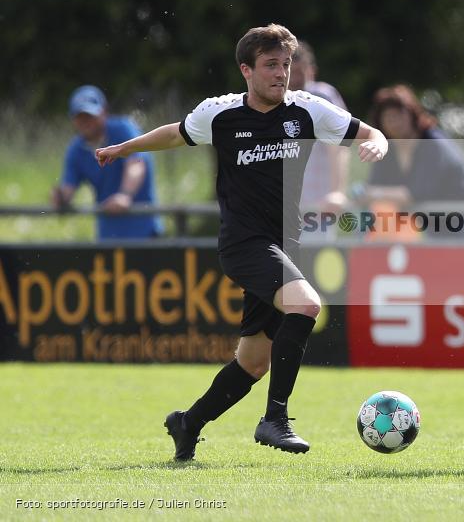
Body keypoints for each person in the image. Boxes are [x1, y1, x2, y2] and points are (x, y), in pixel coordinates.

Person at [95, 24, 387, 460]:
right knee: (307, 306)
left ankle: (187, 423)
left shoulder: (308, 110)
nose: (281, 74)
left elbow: (368, 133)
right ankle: (276, 420)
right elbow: (175, 133)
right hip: (243, 244)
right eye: (271, 65)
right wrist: (124, 148)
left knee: (253, 362)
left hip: (286, 246)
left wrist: (377, 143)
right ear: (246, 70)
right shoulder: (220, 114)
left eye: (286, 65)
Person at [357, 84, 464, 241]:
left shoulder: (433, 143)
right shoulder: (385, 149)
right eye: (389, 117)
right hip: (437, 220)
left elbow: (415, 194)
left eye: (398, 115)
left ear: (411, 114)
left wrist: (375, 194)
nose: (394, 122)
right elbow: (371, 187)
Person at [51, 85, 162, 240]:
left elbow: (136, 165)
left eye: (89, 115)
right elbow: (68, 187)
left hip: (143, 230)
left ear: (104, 112)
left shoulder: (123, 129)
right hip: (107, 235)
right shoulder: (76, 150)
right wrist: (60, 198)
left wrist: (124, 196)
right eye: (80, 116)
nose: (85, 121)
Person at [291, 41, 351, 219]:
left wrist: (337, 192)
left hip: (318, 205)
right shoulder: (273, 99)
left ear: (311, 70)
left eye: (298, 73)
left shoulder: (321, 97)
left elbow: (339, 147)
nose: (293, 79)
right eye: (290, 73)